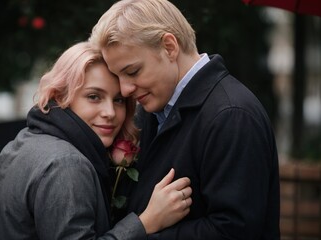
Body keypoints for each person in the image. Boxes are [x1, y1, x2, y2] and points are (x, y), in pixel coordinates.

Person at [89, 0, 280, 239]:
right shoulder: (152, 110)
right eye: (118, 76)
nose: (125, 89)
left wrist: (143, 230)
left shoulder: (232, 116)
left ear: (169, 47)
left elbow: (234, 231)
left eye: (132, 71)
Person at [0, 41, 193, 240]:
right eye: (94, 96)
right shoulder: (66, 164)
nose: (110, 112)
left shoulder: (22, 143)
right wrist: (146, 222)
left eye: (119, 100)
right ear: (60, 96)